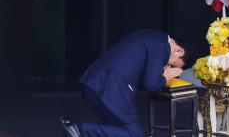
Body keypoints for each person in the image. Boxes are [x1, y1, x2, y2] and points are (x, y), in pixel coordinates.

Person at [60, 29, 195, 137]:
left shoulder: (153, 37)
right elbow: (151, 84)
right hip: (111, 90)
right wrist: (165, 77)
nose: (169, 67)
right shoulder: (162, 46)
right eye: (173, 64)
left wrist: (161, 71)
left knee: (119, 130)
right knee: (134, 134)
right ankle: (79, 128)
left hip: (95, 84)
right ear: (178, 51)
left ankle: (77, 128)